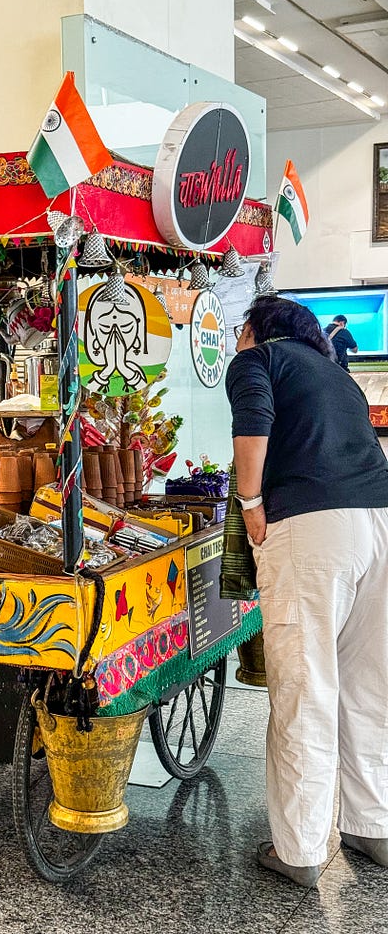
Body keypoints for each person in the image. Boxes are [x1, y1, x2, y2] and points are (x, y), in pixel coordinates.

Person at [226, 295, 388, 888]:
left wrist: (250, 506)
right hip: (381, 524)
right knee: (369, 685)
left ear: (259, 328)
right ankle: (373, 825)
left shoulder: (258, 360)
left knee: (305, 687)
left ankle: (298, 850)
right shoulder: (336, 375)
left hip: (313, 531)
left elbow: (253, 431)